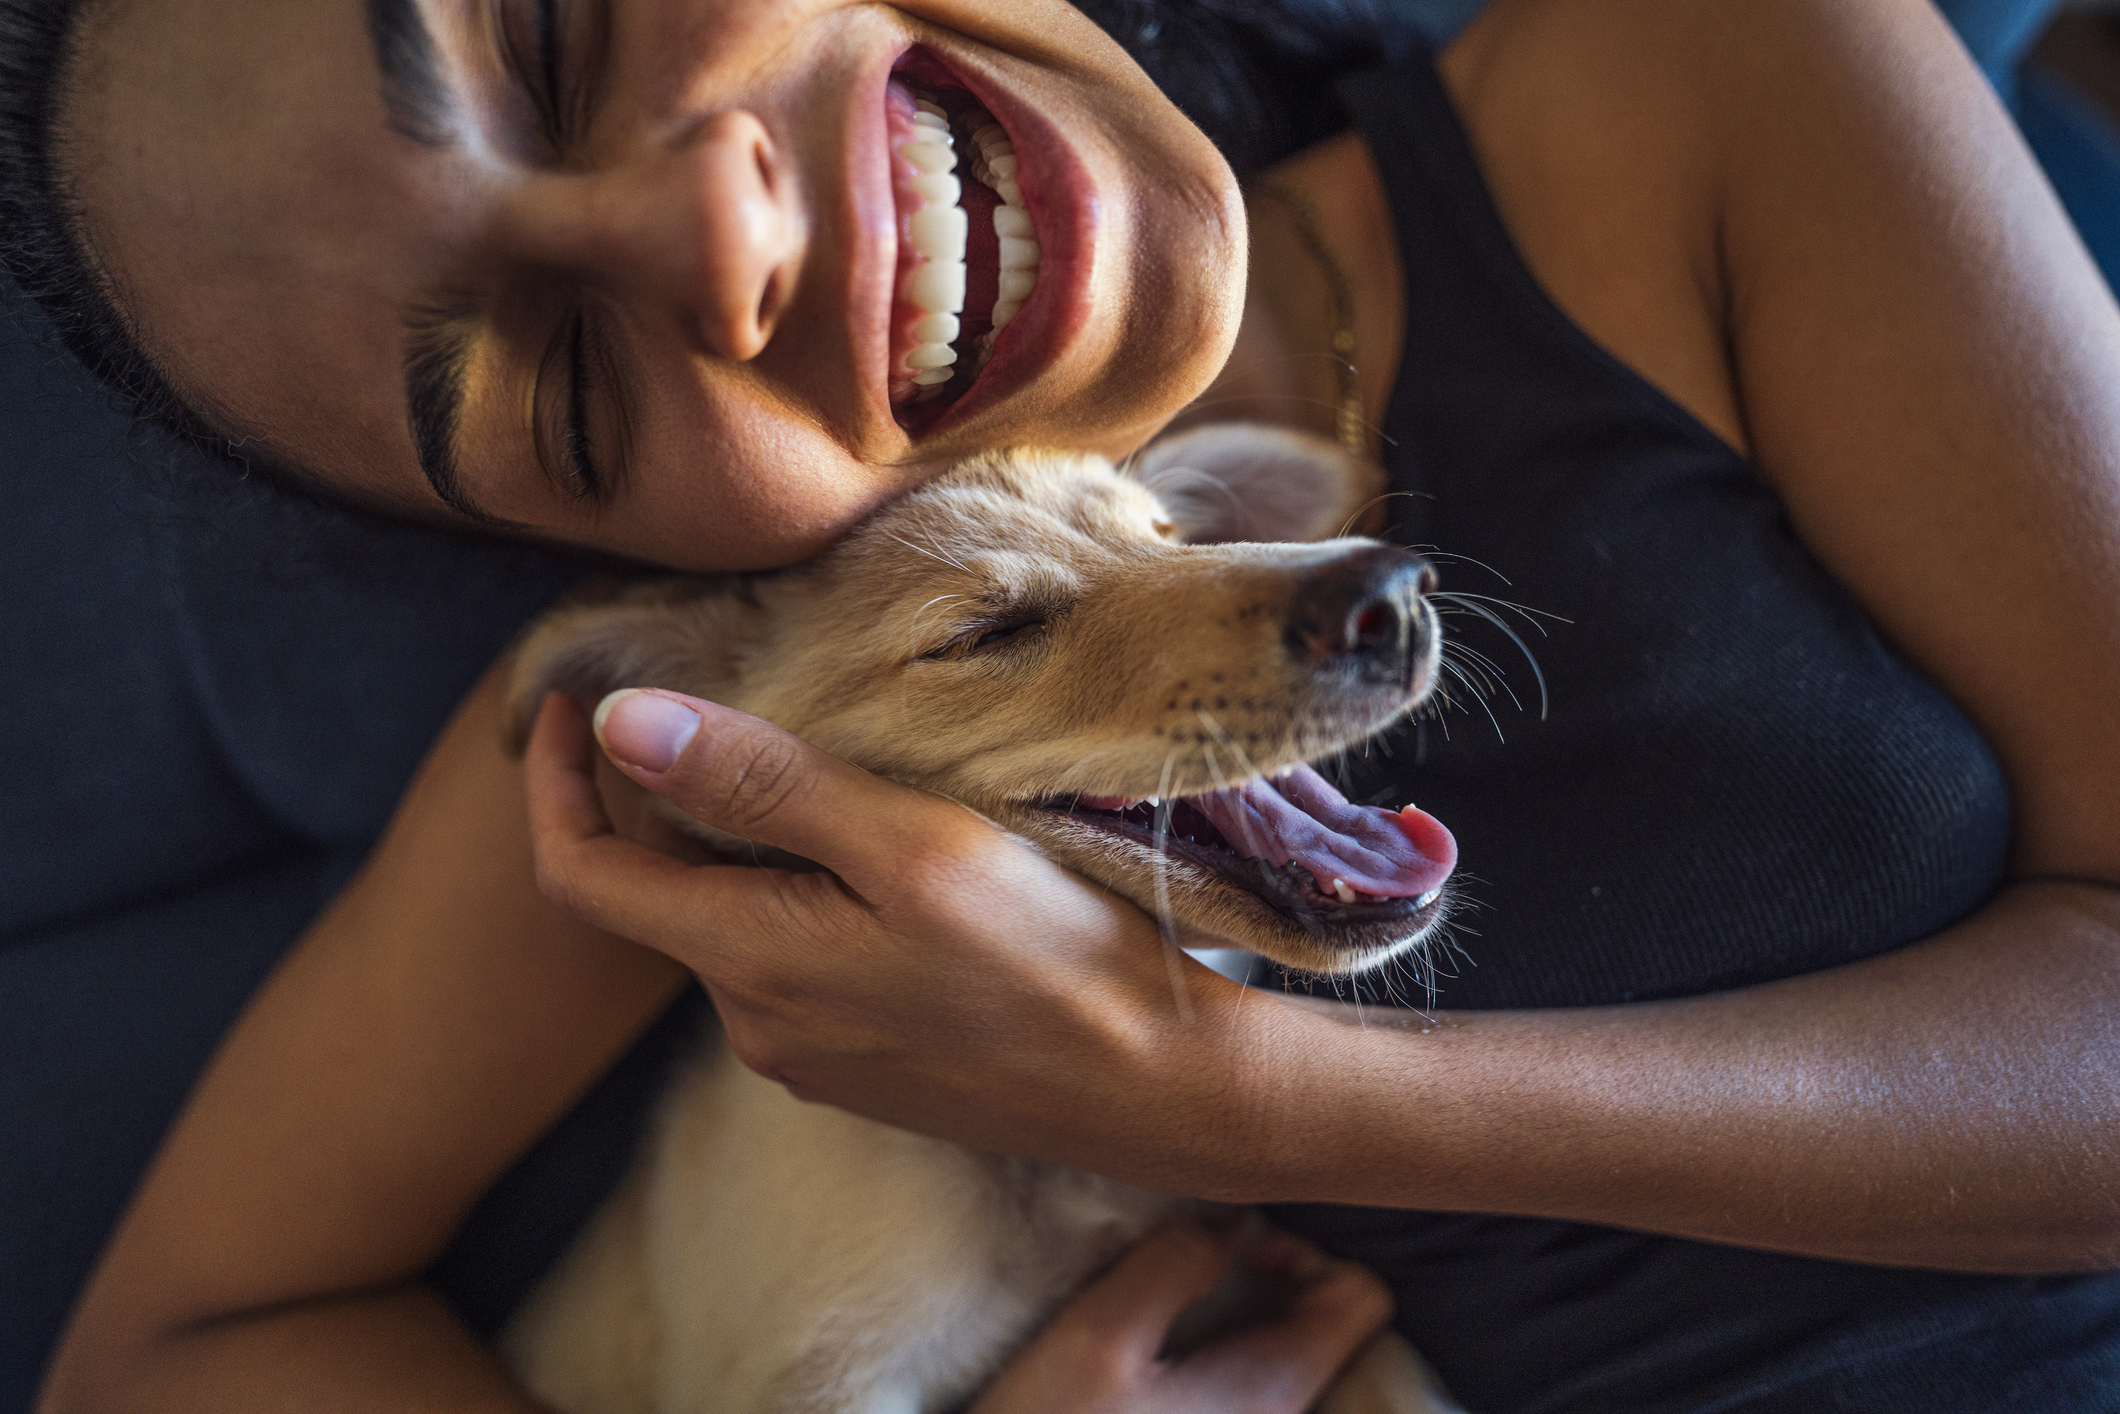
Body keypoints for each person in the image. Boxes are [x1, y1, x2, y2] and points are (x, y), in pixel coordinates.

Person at [5, 0, 2118, 1410]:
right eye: (562, 381)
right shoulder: (707, 714)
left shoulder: (1711, 81)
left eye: (552, 29)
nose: (716, 227)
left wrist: (1218, 1093)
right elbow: (181, 1346)